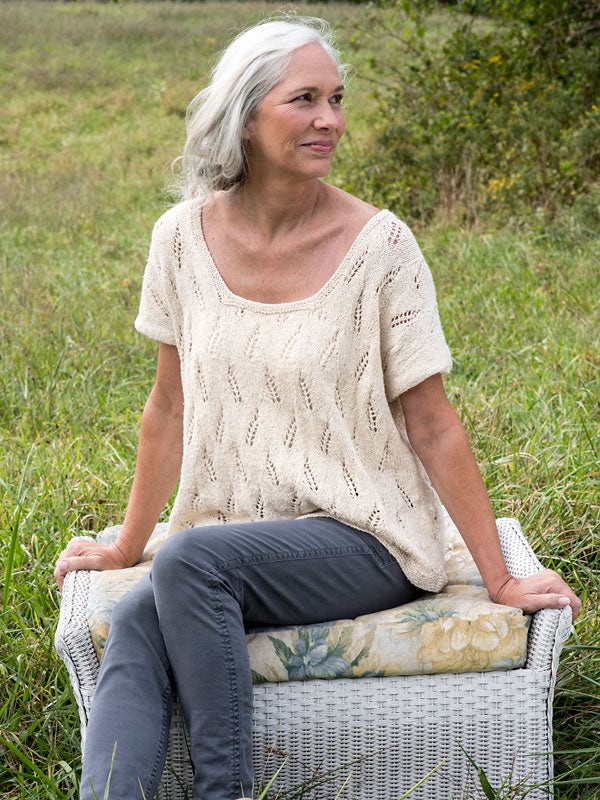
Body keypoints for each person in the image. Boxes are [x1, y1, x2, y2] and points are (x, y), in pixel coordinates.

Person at [54, 16, 581, 800]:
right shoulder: (179, 241)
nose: (330, 119)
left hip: (367, 539)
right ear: (245, 115)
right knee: (138, 616)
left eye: (336, 99)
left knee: (189, 561)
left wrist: (499, 579)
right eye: (304, 99)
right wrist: (128, 543)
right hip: (235, 542)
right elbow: (167, 406)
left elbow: (433, 423)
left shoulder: (381, 247)